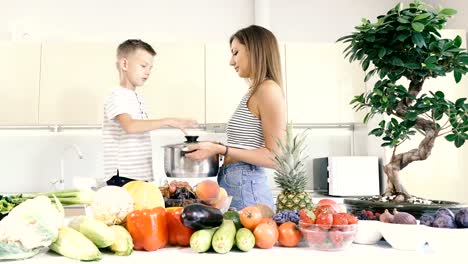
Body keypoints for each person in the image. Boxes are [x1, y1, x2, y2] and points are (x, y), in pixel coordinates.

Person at [186, 25, 287, 211]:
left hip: (247, 186)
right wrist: (217, 148)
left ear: (254, 50)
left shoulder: (268, 90)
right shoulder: (254, 91)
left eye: (235, 52)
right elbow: (245, 146)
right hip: (236, 182)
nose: (231, 62)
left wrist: (222, 149)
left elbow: (276, 157)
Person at [102, 39, 196, 187]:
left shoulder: (137, 97)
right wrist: (167, 121)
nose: (148, 72)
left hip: (138, 174)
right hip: (123, 176)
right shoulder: (117, 95)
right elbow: (130, 126)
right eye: (143, 66)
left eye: (150, 68)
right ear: (125, 64)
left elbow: (139, 127)